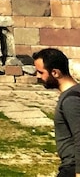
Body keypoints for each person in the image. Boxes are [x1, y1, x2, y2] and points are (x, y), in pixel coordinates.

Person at [34, 48, 80, 177]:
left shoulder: (71, 100)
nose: (38, 76)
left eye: (40, 72)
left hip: (72, 168)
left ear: (55, 73)